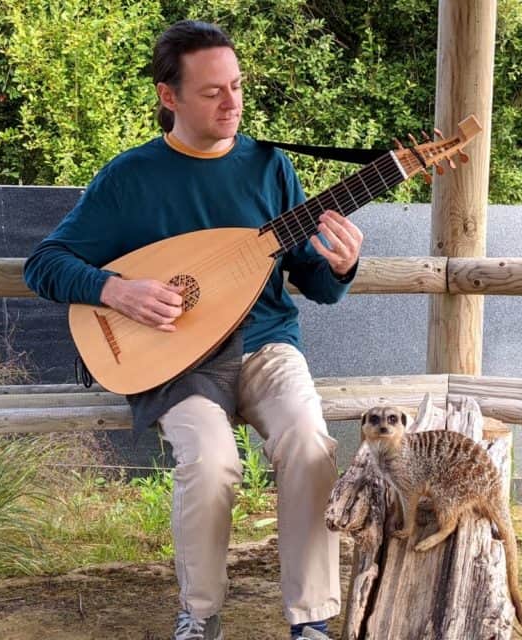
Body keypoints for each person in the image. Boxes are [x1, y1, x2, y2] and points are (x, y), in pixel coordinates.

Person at [24, 19, 363, 640]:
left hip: (266, 347)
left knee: (311, 444)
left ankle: (311, 619)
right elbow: (44, 263)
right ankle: (200, 616)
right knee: (211, 462)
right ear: (169, 96)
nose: (231, 103)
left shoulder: (270, 167)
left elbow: (316, 282)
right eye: (212, 91)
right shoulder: (131, 178)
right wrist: (115, 289)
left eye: (236, 86)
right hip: (176, 359)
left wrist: (342, 264)